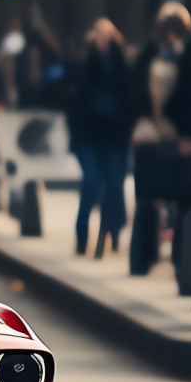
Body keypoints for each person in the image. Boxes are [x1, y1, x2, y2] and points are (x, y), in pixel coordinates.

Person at [128, 2, 191, 275]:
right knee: (148, 201)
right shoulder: (150, 53)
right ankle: (143, 258)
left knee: (188, 202)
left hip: (181, 140)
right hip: (152, 138)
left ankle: (184, 263)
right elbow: (136, 92)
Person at [69, 18, 134, 256]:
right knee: (91, 183)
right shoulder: (85, 64)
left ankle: (110, 231)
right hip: (89, 136)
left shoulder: (120, 65)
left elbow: (129, 100)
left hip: (113, 137)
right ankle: (82, 236)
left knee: (114, 185)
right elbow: (75, 101)